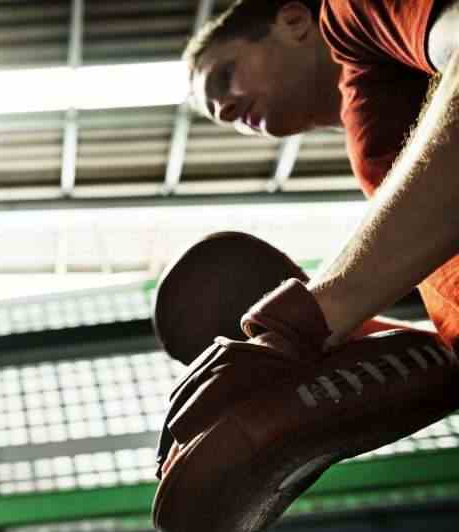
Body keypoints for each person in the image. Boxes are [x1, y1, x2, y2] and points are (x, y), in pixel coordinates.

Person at [184, 0, 459, 350]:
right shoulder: (378, 151)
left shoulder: (351, 11)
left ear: (294, 21)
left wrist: (312, 316)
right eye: (220, 116)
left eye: (225, 76)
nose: (225, 110)